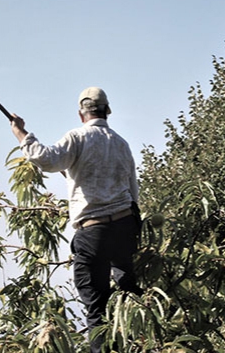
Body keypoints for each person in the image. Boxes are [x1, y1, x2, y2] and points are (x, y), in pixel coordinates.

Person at [10, 86, 143, 352]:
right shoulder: (121, 143)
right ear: (108, 111)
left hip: (94, 231)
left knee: (96, 307)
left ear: (81, 114)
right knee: (128, 295)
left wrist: (21, 134)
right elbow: (133, 190)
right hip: (125, 224)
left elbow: (45, 160)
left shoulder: (77, 137)